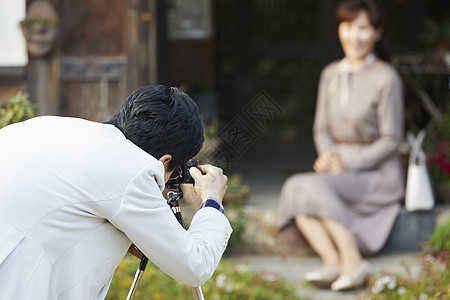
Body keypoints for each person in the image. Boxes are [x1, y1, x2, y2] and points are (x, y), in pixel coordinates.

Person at [0, 85, 232, 299]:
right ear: (164, 162)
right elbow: (195, 266)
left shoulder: (48, 127)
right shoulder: (132, 170)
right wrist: (212, 201)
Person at [278, 0, 404, 291]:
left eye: (362, 28)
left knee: (310, 186)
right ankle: (333, 260)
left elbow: (391, 140)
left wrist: (348, 163)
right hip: (338, 169)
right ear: (339, 29)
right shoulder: (330, 73)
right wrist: (327, 157)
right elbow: (321, 128)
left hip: (376, 175)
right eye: (347, 27)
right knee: (298, 185)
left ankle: (352, 259)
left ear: (377, 32)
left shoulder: (386, 78)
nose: (353, 36)